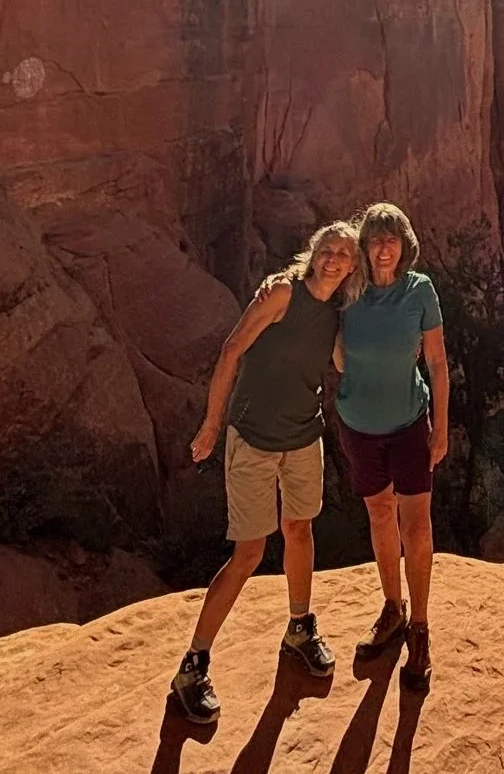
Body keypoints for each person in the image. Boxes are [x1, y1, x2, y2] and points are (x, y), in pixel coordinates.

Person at [169, 218, 360, 723]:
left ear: (352, 267)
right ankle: (193, 663)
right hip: (252, 439)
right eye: (328, 249)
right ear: (313, 253)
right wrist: (212, 425)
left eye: (345, 254)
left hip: (302, 438)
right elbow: (232, 350)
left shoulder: (340, 315)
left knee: (299, 530)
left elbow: (346, 363)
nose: (334, 259)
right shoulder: (281, 295)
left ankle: (300, 626)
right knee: (250, 552)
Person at [333, 200, 449, 694]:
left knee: (416, 523)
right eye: (375, 238)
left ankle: (419, 627)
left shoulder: (420, 291)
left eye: (391, 238)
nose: (383, 247)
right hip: (359, 425)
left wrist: (440, 428)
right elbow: (331, 347)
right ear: (364, 246)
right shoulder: (349, 293)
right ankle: (392, 610)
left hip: (407, 423)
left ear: (404, 247)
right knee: (380, 515)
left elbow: (438, 364)